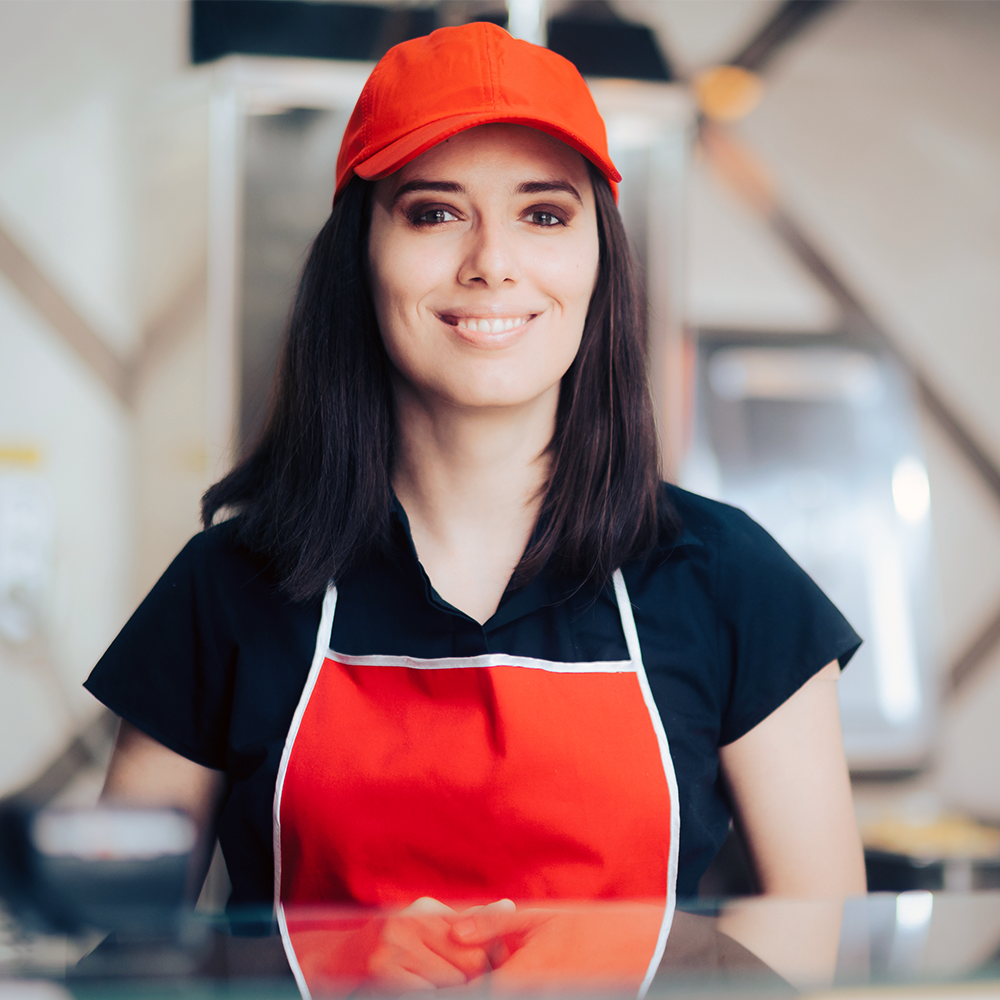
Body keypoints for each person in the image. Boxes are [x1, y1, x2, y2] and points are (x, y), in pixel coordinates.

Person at [85, 20, 865, 995]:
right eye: (432, 213)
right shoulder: (225, 587)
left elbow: (823, 932)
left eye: (544, 214)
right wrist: (324, 960)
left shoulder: (730, 577)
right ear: (359, 254)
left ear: (597, 260)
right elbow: (115, 956)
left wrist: (630, 957)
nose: (492, 262)